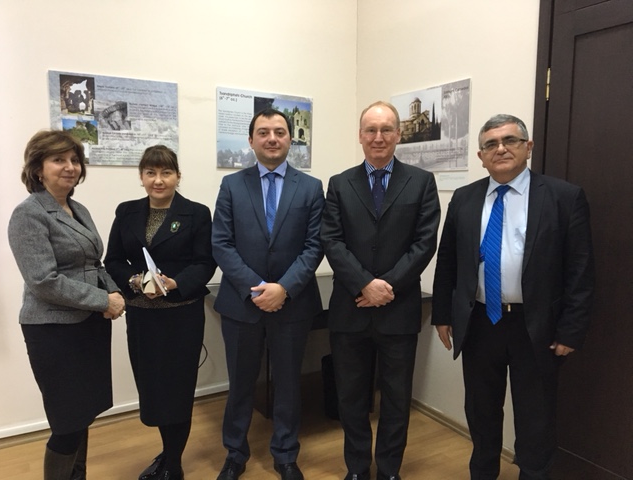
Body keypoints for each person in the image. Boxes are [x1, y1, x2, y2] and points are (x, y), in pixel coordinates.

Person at [431, 114, 595, 479]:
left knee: (536, 419)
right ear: (481, 155)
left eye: (510, 141)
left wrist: (571, 330)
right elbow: (448, 263)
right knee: (481, 412)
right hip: (479, 323)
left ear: (528, 147)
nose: (500, 149)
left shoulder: (563, 197)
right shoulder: (465, 198)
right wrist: (442, 314)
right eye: (491, 144)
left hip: (535, 327)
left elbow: (580, 272)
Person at [321, 101, 440, 480]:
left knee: (396, 399)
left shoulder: (421, 182)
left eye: (386, 129)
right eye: (370, 130)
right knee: (350, 398)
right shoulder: (340, 184)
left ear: (398, 135)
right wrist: (364, 284)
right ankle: (357, 469)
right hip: (349, 310)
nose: (378, 137)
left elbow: (424, 243)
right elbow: (331, 240)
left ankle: (389, 470)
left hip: (398, 310)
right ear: (360, 136)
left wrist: (386, 287)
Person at [211, 108, 325, 480]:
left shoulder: (310, 187)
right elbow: (222, 244)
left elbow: (314, 246)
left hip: (292, 305)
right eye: (264, 132)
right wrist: (256, 288)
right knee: (240, 383)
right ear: (251, 140)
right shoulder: (232, 185)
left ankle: (286, 454)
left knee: (290, 384)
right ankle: (235, 453)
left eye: (279, 131)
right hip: (242, 304)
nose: (272, 138)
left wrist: (284, 289)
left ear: (291, 139)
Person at [8, 130, 125, 480]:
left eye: (74, 160)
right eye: (59, 160)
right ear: (38, 168)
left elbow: (95, 264)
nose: (70, 167)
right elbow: (43, 281)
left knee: (83, 413)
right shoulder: (28, 214)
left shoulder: (77, 208)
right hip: (53, 330)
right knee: (66, 422)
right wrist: (103, 299)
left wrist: (120, 294)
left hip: (87, 324)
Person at [105, 145, 216, 480]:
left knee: (178, 388)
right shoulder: (126, 212)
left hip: (180, 315)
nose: (158, 180)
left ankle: (174, 463)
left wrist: (176, 282)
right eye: (151, 172)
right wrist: (134, 280)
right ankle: (167, 454)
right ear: (141, 177)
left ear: (177, 176)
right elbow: (112, 260)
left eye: (166, 172)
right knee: (152, 388)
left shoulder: (196, 213)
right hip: (142, 315)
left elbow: (205, 261)